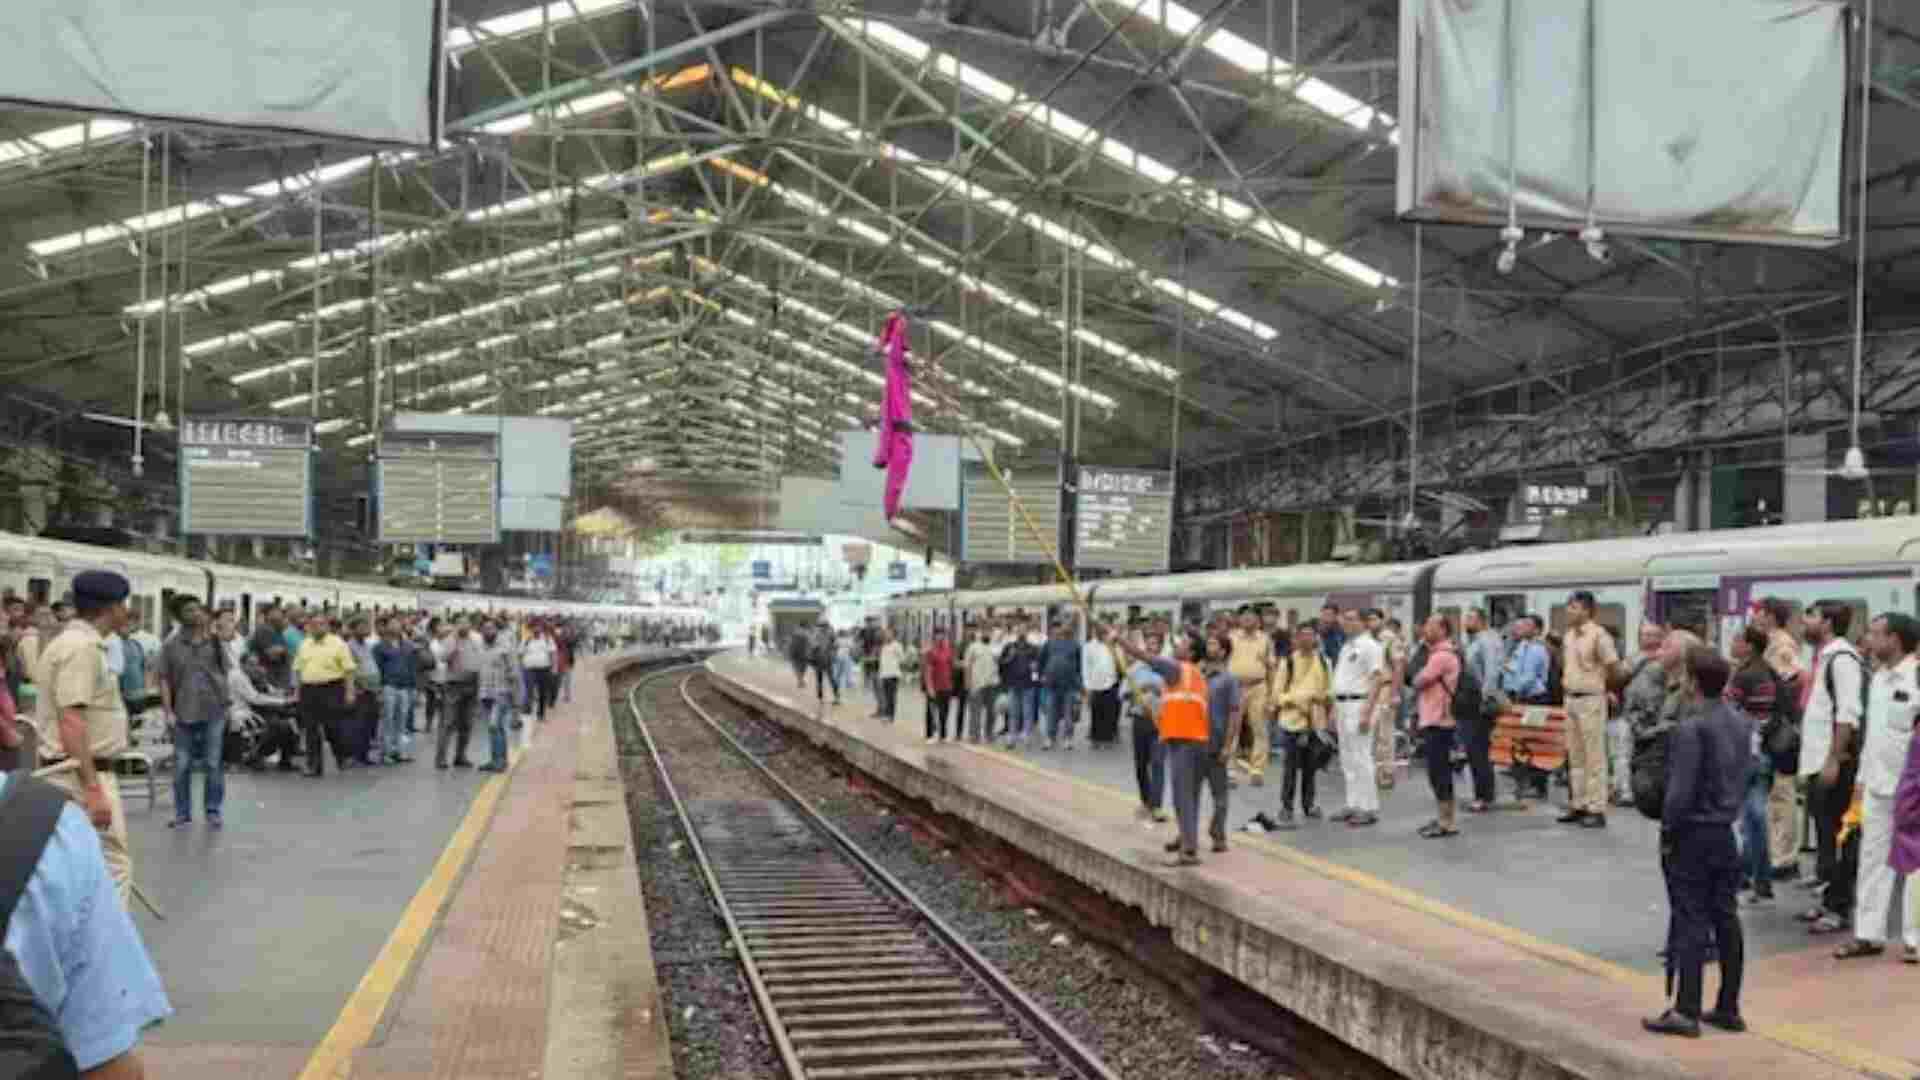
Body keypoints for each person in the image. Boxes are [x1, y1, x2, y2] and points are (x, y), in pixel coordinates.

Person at [0, 768, 173, 1077]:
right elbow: (108, 1065)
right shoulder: (44, 827)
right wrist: (93, 785)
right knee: (114, 864)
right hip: (83, 780)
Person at [1644, 646, 1747, 1038]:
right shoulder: (1739, 723)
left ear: (1690, 681)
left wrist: (1668, 829)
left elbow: (1679, 792)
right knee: (1726, 917)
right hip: (1725, 832)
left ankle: (1685, 1009)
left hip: (1692, 833)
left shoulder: (1691, 727)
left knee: (1690, 917)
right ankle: (1728, 1006)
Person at [31, 570, 137, 907]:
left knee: (75, 865)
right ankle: (105, 950)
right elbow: (72, 720)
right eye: (124, 605)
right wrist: (93, 789)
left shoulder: (71, 643)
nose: (127, 612)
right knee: (113, 864)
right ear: (110, 608)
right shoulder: (81, 649)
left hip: (69, 770)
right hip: (81, 773)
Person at [1835, 613, 1920, 960]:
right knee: (1871, 859)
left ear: (1895, 640)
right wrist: (1860, 784)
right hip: (1877, 785)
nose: (1869, 640)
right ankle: (1868, 934)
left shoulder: (1916, 676)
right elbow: (1873, 738)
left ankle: (1915, 939)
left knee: (1916, 863)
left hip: (1913, 786)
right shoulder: (1879, 679)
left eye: (1875, 634)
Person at [1114, 629, 1214, 866]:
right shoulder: (1195, 675)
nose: (1177, 645)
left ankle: (1189, 851)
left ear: (1189, 653)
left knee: (1183, 797)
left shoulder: (1178, 669)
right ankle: (1185, 838)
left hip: (1186, 741)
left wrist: (1118, 638)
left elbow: (1143, 656)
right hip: (1195, 740)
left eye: (1183, 643)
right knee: (1190, 795)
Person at [1798, 600, 1866, 935]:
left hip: (1833, 763)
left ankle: (1839, 908)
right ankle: (1828, 898)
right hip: (1818, 761)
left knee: (1839, 837)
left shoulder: (1842, 660)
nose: (1804, 621)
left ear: (1826, 622)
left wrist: (1833, 759)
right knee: (1825, 836)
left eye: (1810, 616)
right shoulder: (1826, 658)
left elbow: (1847, 715)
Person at [157, 596, 230, 829]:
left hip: (214, 710)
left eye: (197, 609)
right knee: (181, 765)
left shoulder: (216, 642)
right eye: (189, 610)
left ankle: (213, 811)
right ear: (180, 616)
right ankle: (182, 813)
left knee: (212, 764)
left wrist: (227, 704)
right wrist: (168, 711)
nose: (196, 614)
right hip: (183, 712)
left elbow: (225, 673)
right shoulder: (170, 645)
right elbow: (164, 680)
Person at [1724, 624, 1779, 905]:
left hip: (1745, 754)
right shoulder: (1769, 671)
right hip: (1765, 753)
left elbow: (1729, 713)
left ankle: (1742, 877)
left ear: (1749, 646)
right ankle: (1762, 880)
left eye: (1736, 640)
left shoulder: (1743, 677)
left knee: (1745, 820)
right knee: (1756, 817)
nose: (1732, 644)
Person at [1752, 597, 1805, 881]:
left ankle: (1784, 858)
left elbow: (1792, 680)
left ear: (1770, 616)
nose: (1755, 617)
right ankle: (1778, 852)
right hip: (1771, 725)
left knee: (1782, 793)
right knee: (1775, 793)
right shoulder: (1770, 642)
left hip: (1778, 727)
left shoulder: (1781, 645)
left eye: (1758, 613)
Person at [1561, 592, 1623, 828]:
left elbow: (1613, 667)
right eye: (1569, 606)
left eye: (1574, 607)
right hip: (1571, 699)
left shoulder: (1599, 636)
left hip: (1591, 699)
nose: (1569, 611)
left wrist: (1607, 689)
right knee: (1575, 755)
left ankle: (1596, 808)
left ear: (1587, 610)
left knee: (1594, 756)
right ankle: (1578, 804)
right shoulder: (1568, 637)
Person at [1265, 623, 1328, 829]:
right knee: (1290, 768)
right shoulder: (1288, 662)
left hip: (1315, 722)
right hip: (1291, 722)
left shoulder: (1324, 661)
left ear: (1316, 638)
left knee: (1311, 767)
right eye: (1303, 635)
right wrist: (1298, 699)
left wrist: (1319, 699)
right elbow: (1277, 695)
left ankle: (1309, 805)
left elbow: (1329, 691)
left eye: (1311, 635)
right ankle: (1287, 807)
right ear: (1296, 639)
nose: (1307, 639)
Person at [1331, 609, 1386, 827]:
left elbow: (1377, 679)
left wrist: (1367, 711)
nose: (1346, 622)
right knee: (1347, 757)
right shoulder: (1347, 646)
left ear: (1364, 623)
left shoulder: (1371, 646)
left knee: (1362, 756)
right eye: (1345, 619)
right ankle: (1353, 803)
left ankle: (1369, 807)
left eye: (1352, 619)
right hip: (1342, 704)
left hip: (1359, 704)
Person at [1411, 614, 1463, 838]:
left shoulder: (1441, 656)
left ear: (1442, 630)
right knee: (1438, 772)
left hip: (1439, 720)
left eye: (1430, 626)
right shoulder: (1442, 653)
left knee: (1439, 773)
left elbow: (1417, 680)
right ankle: (1444, 818)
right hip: (1437, 718)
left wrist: (1420, 670)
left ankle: (1447, 822)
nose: (1425, 630)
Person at [293, 613, 358, 777]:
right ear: (309, 627)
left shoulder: (338, 644)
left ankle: (342, 756)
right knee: (311, 729)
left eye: (321, 624)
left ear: (327, 627)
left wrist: (350, 692)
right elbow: (298, 670)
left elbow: (349, 670)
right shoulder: (304, 644)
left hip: (332, 688)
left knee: (332, 726)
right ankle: (313, 766)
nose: (317, 627)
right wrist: (297, 691)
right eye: (314, 625)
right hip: (309, 689)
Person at [1123, 626, 1169, 824]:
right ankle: (1146, 800)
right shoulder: (1134, 669)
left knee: (1158, 763)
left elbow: (1174, 695)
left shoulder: (1168, 670)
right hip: (1140, 719)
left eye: (1155, 644)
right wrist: (1136, 691)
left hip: (1160, 721)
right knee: (1141, 764)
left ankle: (1157, 805)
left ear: (1160, 647)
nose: (1151, 648)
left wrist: (1158, 691)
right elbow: (1122, 694)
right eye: (1148, 644)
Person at [1225, 606, 1274, 787]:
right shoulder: (1231, 638)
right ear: (1239, 619)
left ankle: (1257, 770)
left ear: (1257, 620)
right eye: (1244, 616)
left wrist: (1271, 696)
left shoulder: (1265, 639)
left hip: (1258, 687)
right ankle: (1229, 769)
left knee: (1259, 728)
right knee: (1232, 728)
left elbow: (1271, 667)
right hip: (1235, 687)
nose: (1247, 619)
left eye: (1251, 616)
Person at [1459, 609, 1502, 811]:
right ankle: (1483, 794)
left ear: (1482, 621)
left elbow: (1492, 672)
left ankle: (1483, 796)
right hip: (1469, 702)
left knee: (1478, 751)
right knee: (1474, 751)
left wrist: (1484, 699)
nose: (1466, 621)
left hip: (1479, 703)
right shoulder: (1474, 641)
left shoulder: (1487, 641)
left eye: (1470, 618)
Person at [473, 619, 521, 773]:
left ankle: (500, 761)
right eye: (485, 629)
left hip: (502, 692)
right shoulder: (481, 648)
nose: (488, 631)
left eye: (491, 628)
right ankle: (497, 760)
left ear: (496, 630)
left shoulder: (506, 647)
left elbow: (514, 674)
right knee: (494, 727)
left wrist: (516, 704)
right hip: (485, 693)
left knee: (495, 725)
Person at [372, 621, 418, 764]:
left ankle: (399, 751)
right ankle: (386, 752)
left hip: (404, 687)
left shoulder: (407, 646)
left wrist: (413, 687)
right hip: (388, 686)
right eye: (392, 626)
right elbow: (377, 669)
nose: (395, 628)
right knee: (388, 720)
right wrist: (378, 689)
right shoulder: (379, 647)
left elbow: (411, 667)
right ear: (387, 629)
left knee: (402, 721)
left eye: (398, 626)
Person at [1037, 621, 1082, 751]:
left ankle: (1068, 739)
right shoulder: (1049, 644)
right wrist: (1042, 675)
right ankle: (1050, 738)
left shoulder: (1075, 645)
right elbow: (1041, 661)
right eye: (1064, 626)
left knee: (1068, 714)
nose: (1065, 629)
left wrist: (1079, 683)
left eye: (1068, 627)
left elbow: (1080, 666)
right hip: (1052, 685)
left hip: (1069, 685)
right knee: (1051, 713)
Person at [999, 624, 1041, 748]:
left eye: (1024, 630)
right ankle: (1012, 737)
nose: (1022, 633)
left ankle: (1027, 735)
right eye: (1019, 631)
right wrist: (1009, 658)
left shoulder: (1033, 648)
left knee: (1027, 712)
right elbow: (1001, 663)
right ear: (1016, 632)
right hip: (1013, 684)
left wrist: (1035, 674)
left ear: (1027, 633)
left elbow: (1038, 666)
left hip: (1028, 684)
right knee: (1013, 712)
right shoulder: (1009, 647)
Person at [1083, 620, 1122, 746]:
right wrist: (1087, 687)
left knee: (1109, 711)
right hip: (1095, 684)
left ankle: (1107, 737)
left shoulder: (1112, 645)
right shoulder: (1088, 646)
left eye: (1103, 630)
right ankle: (1095, 738)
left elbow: (1119, 662)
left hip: (1111, 682)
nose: (1101, 632)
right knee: (1096, 711)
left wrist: (1113, 647)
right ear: (1095, 631)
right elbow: (1086, 667)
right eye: (1098, 630)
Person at [1499, 616, 1551, 705]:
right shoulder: (1522, 646)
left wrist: (1512, 691)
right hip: (1520, 695)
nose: (1523, 626)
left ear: (1536, 631)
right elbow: (1513, 668)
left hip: (1533, 697)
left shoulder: (1537, 649)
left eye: (1527, 624)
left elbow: (1528, 678)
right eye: (1523, 623)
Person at [962, 625, 1000, 744]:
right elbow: (967, 666)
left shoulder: (996, 647)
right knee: (975, 712)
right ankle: (974, 736)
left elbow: (1001, 664)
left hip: (992, 684)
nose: (986, 633)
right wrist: (967, 683)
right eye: (984, 631)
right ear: (980, 633)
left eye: (989, 631)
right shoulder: (973, 647)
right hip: (977, 684)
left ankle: (989, 734)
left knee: (992, 712)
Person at [520, 620, 559, 722]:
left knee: (543, 692)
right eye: (534, 627)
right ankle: (527, 709)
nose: (536, 629)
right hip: (529, 669)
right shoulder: (526, 639)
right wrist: (520, 666)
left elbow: (553, 653)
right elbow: (520, 653)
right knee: (529, 690)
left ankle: (541, 714)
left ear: (541, 628)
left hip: (544, 669)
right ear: (531, 629)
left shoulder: (547, 639)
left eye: (538, 627)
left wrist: (554, 667)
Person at [921, 629, 955, 744]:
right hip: (935, 686)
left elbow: (951, 667)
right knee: (931, 711)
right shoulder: (930, 652)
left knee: (945, 712)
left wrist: (951, 684)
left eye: (942, 635)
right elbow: (928, 670)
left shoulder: (948, 650)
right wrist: (929, 687)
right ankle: (929, 735)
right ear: (934, 637)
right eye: (938, 635)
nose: (940, 637)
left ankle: (943, 735)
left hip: (947, 686)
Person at [875, 628, 904, 723]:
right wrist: (880, 673)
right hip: (884, 674)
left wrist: (895, 664)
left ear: (893, 635)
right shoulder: (883, 646)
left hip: (893, 674)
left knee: (891, 696)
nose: (887, 635)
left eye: (889, 634)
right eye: (886, 634)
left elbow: (902, 658)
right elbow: (882, 661)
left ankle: (891, 716)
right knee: (886, 695)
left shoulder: (897, 645)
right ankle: (886, 714)